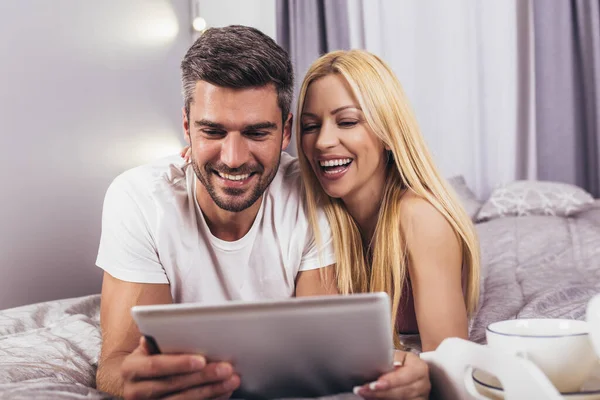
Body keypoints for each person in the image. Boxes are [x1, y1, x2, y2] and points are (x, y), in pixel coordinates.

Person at [97, 26, 431, 400]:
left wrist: (401, 371)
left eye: (257, 133)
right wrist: (134, 382)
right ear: (187, 127)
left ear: (286, 131)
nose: (234, 158)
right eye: (213, 131)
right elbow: (116, 362)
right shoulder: (139, 198)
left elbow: (323, 353)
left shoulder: (312, 195)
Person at [296, 50, 481, 365]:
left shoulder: (420, 217)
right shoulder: (315, 213)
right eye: (310, 126)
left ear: (388, 133)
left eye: (348, 121)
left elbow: (451, 367)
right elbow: (317, 344)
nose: (323, 141)